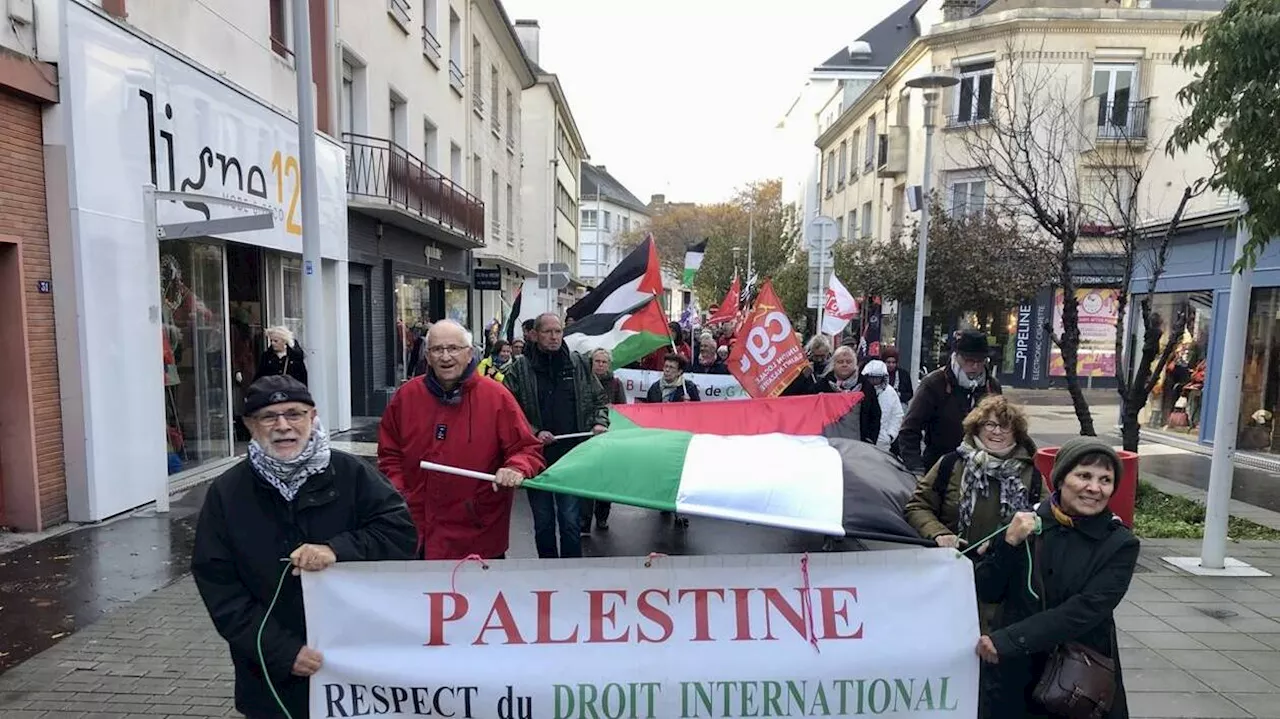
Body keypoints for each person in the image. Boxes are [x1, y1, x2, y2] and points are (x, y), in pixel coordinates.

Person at [192, 376, 417, 719]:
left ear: (313, 418)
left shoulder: (352, 474)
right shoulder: (227, 492)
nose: (283, 426)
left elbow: (400, 535)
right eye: (269, 417)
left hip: (354, 667)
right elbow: (220, 588)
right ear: (250, 426)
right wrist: (281, 651)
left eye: (294, 413)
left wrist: (336, 549)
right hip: (269, 678)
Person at [975, 437, 1137, 719]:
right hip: (1014, 678)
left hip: (1075, 678)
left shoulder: (1119, 544)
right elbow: (987, 589)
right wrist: (1007, 544)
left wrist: (1008, 640)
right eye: (1084, 475)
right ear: (1061, 479)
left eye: (1105, 480)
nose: (1094, 488)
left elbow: (1083, 611)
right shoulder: (1025, 525)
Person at [378, 320, 545, 560]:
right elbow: (389, 454)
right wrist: (402, 494)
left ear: (469, 354)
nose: (445, 357)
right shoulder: (407, 396)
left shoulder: (496, 396)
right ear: (427, 356)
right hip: (416, 533)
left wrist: (515, 468)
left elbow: (527, 448)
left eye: (454, 348)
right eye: (437, 349)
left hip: (477, 537)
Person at [904, 395, 1040, 623]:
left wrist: (1007, 538)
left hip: (1005, 581)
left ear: (1016, 432)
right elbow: (918, 506)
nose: (997, 432)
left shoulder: (1031, 474)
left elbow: (1043, 517)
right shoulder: (951, 464)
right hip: (951, 572)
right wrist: (939, 533)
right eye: (990, 424)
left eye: (1005, 426)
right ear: (977, 427)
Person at [504, 313, 609, 558]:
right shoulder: (520, 368)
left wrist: (599, 423)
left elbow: (600, 401)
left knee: (571, 521)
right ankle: (547, 572)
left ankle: (571, 575)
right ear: (534, 335)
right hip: (535, 457)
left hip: (571, 457)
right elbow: (508, 411)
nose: (554, 336)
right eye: (548, 331)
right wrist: (534, 432)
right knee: (543, 523)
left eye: (558, 331)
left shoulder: (579, 364)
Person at [898, 329, 1002, 475]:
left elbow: (1003, 428)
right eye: (969, 360)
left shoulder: (992, 386)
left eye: (980, 361)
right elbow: (909, 429)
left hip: (981, 469)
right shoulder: (934, 383)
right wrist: (917, 469)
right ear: (957, 356)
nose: (975, 366)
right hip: (939, 468)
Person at [581, 348, 628, 533]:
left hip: (608, 437)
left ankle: (602, 516)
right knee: (585, 479)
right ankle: (584, 520)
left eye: (604, 362)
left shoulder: (615, 384)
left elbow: (623, 410)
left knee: (605, 479)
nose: (600, 365)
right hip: (586, 436)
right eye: (597, 361)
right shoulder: (583, 381)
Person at [859, 359, 903, 450]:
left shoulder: (890, 393)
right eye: (871, 377)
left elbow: (897, 415)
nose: (874, 380)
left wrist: (890, 435)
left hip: (882, 441)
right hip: (861, 439)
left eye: (877, 377)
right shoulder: (860, 392)